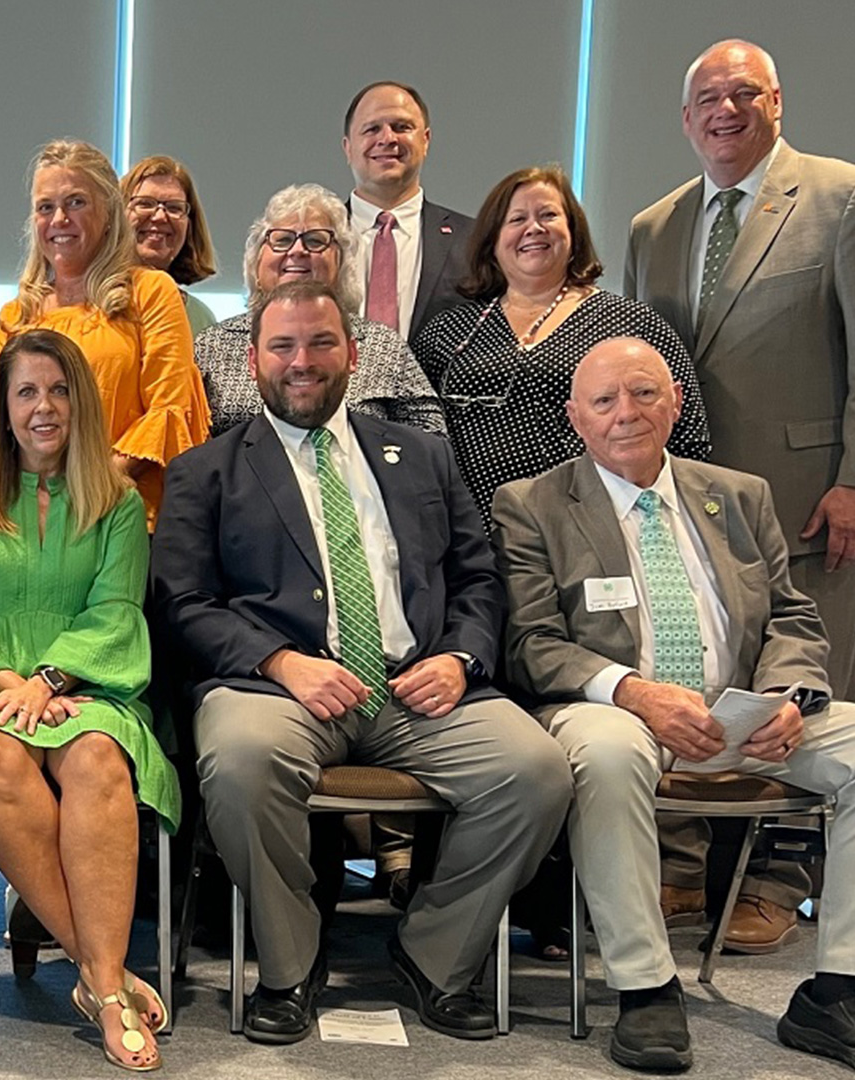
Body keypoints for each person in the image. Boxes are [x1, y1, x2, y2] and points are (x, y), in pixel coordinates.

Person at [151, 280, 572, 1046]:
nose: (302, 362)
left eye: (319, 343)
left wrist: (463, 657)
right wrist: (278, 661)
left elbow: (479, 575)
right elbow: (183, 602)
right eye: (282, 346)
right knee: (242, 760)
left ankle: (435, 955)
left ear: (352, 353)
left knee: (536, 770)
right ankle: (289, 964)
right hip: (274, 690)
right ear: (253, 361)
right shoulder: (206, 471)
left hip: (418, 690)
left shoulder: (423, 457)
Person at [494, 336, 855, 1073]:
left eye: (644, 393)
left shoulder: (740, 494)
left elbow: (791, 616)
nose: (626, 413)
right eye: (604, 400)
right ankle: (645, 988)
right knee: (609, 751)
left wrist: (790, 697)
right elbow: (531, 642)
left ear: (676, 402)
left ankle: (836, 991)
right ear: (576, 418)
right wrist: (634, 692)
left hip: (745, 714)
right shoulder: (531, 505)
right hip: (616, 708)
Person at [629, 40, 855, 947]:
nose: (726, 111)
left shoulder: (839, 196)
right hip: (686, 503)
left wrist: (852, 479)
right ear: (685, 119)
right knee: (692, 670)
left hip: (807, 496)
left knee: (807, 687)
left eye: (743, 93)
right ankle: (685, 870)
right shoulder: (655, 226)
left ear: (777, 102)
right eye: (707, 99)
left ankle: (778, 871)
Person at [0, 328, 179, 1071]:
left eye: (59, 390)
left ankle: (96, 974)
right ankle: (105, 977)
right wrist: (17, 687)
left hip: (86, 687)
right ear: (2, 408)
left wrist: (53, 681)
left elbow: (116, 613)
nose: (44, 407)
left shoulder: (118, 503)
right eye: (26, 391)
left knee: (98, 755)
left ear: (80, 403)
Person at [416, 166, 711, 534]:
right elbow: (417, 444)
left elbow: (688, 437)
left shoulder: (631, 324)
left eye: (548, 215)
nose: (533, 228)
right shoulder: (447, 332)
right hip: (475, 542)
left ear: (573, 232)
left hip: (597, 536)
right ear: (492, 239)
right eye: (517, 219)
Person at [0, 139, 209, 528]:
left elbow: (168, 412)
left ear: (109, 212)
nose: (59, 219)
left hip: (125, 523)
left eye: (76, 202)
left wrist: (82, 492)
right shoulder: (13, 318)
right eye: (45, 207)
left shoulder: (151, 294)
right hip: (27, 529)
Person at [193, 183, 445, 439]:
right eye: (282, 240)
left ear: (342, 264)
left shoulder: (382, 344)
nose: (298, 250)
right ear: (256, 263)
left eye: (315, 240)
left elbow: (431, 440)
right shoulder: (212, 345)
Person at [341, 81, 474, 349]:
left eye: (402, 127)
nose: (387, 138)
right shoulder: (314, 240)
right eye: (372, 129)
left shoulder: (475, 241)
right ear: (348, 148)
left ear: (425, 140)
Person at [121, 155, 220, 334]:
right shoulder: (89, 302)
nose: (159, 216)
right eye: (144, 204)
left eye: (174, 208)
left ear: (189, 225)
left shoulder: (202, 318)